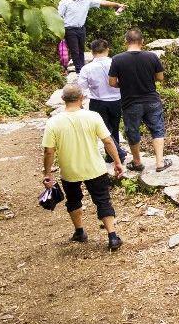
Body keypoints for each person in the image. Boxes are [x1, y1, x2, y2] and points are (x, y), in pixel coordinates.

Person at [42, 84, 126, 251]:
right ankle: (112, 236)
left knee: (73, 200)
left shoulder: (53, 122)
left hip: (69, 170)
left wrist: (47, 173)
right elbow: (108, 141)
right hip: (95, 168)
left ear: (63, 99)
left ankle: (80, 232)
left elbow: (49, 152)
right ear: (81, 98)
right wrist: (117, 162)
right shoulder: (93, 116)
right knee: (102, 200)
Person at [107, 28, 170, 171]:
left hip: (130, 102)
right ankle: (160, 162)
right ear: (142, 41)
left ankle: (137, 162)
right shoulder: (152, 56)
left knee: (133, 131)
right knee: (157, 129)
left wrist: (124, 85)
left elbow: (111, 82)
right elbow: (160, 77)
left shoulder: (117, 59)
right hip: (151, 100)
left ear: (126, 41)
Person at [78, 38, 127, 165]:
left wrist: (81, 104)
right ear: (108, 50)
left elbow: (81, 88)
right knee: (114, 128)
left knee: (103, 130)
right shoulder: (116, 63)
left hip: (97, 101)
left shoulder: (87, 68)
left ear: (92, 52)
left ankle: (115, 154)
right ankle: (113, 155)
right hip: (117, 100)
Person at [57, 0, 126, 75]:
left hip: (81, 28)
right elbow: (59, 16)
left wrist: (117, 4)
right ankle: (79, 70)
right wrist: (60, 31)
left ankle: (81, 68)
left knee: (81, 49)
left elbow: (102, 2)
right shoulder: (65, 1)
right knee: (74, 50)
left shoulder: (87, 0)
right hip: (69, 28)